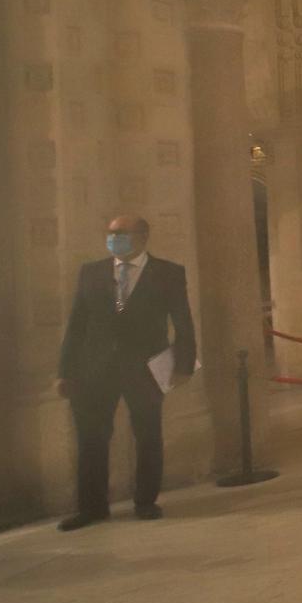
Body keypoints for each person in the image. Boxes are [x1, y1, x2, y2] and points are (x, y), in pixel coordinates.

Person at [54, 214, 197, 529]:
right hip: (94, 369)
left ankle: (145, 501)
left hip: (144, 367)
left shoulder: (167, 273)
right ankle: (92, 507)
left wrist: (184, 365)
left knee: (147, 435)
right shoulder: (91, 273)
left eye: (120, 232)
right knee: (92, 438)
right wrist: (65, 370)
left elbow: (183, 322)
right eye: (110, 232)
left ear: (143, 236)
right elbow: (77, 325)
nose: (113, 237)